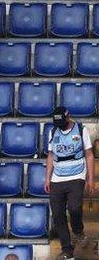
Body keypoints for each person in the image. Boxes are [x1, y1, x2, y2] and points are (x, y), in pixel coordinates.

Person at [47, 106, 95, 260]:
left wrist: (91, 179)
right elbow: (50, 155)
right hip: (57, 178)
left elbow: (89, 154)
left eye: (62, 122)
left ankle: (78, 231)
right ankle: (67, 251)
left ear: (68, 117)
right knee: (58, 215)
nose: (60, 126)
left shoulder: (81, 130)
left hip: (77, 175)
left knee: (74, 208)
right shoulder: (53, 132)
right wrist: (47, 178)